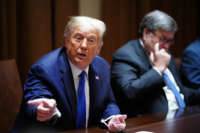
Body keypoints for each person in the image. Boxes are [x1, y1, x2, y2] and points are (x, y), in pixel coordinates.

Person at [11, 16, 126, 133]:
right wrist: (45, 111)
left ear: (98, 48)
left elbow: (108, 102)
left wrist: (111, 119)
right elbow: (35, 102)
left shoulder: (102, 67)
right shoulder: (45, 69)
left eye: (91, 40)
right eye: (78, 38)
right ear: (67, 41)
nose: (84, 46)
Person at [111, 10, 200, 118]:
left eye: (170, 41)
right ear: (146, 33)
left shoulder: (164, 53)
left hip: (180, 116)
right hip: (150, 122)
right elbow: (129, 92)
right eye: (163, 39)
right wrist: (158, 69)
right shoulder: (126, 55)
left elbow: (180, 90)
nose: (167, 46)